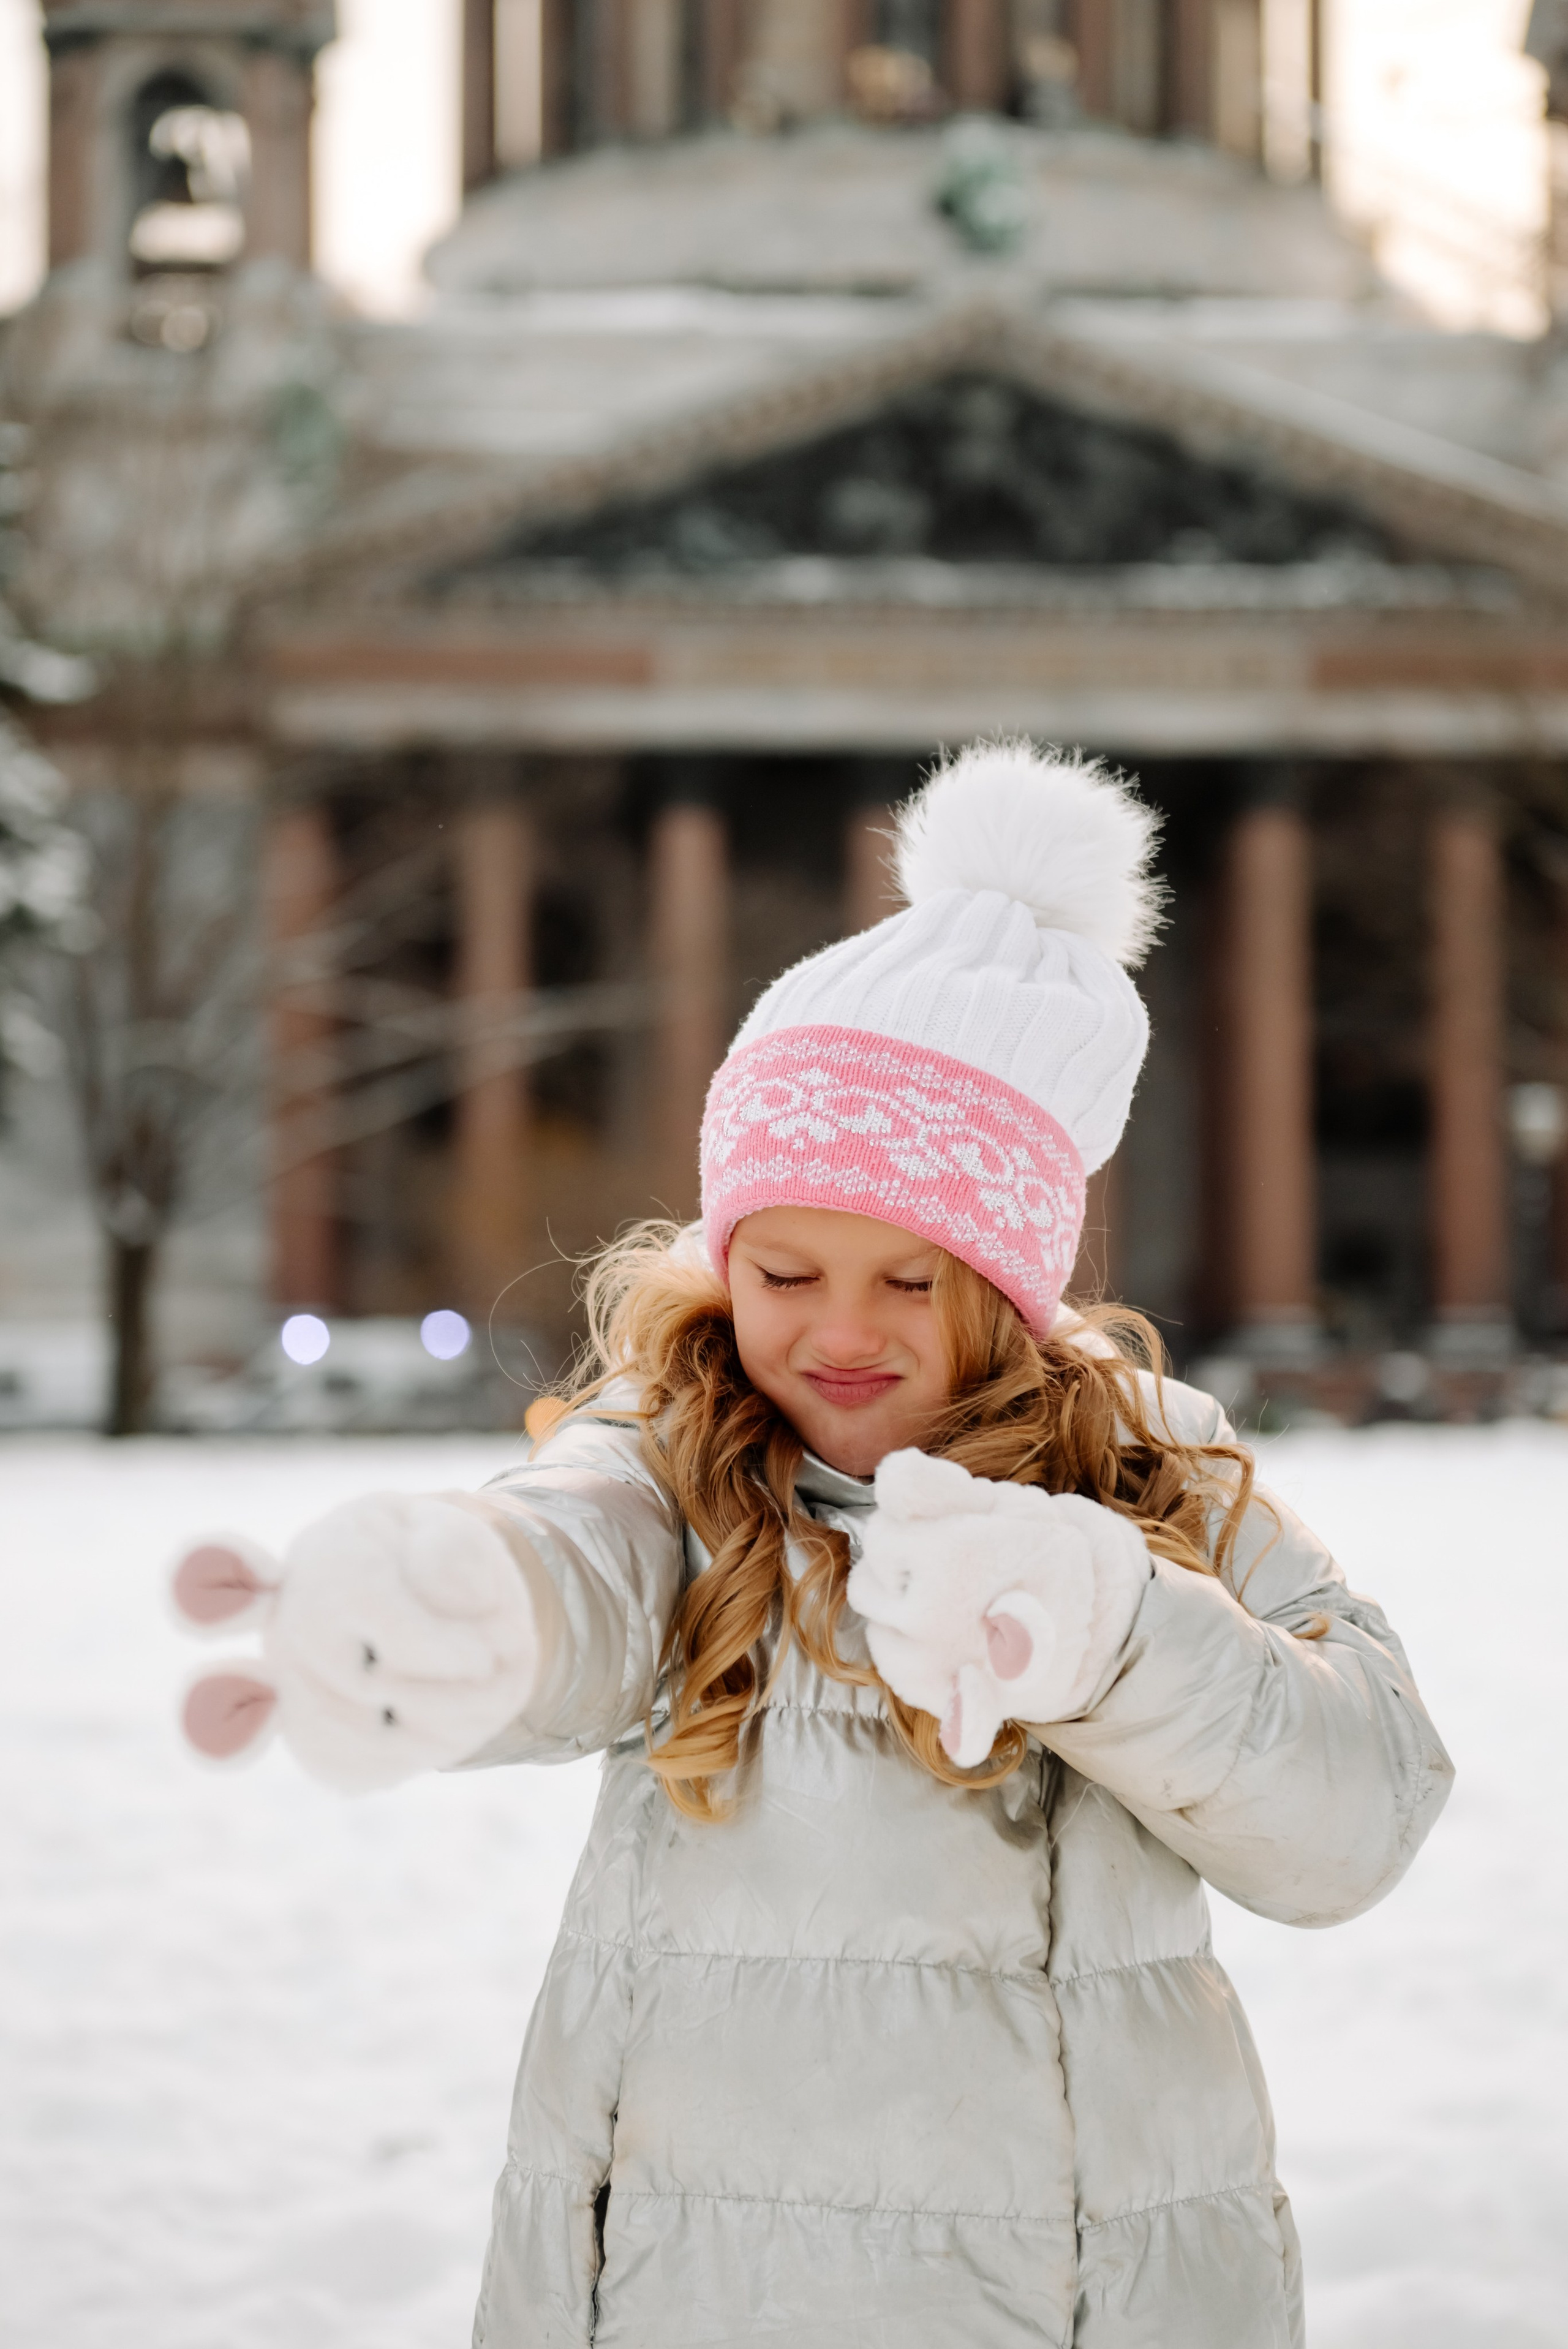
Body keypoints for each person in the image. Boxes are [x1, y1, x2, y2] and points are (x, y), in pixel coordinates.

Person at [174, 741, 1453, 2349]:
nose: (838, 1334)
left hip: (1086, 2292)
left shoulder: (1155, 1475)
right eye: (783, 1271)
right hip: (690, 2284)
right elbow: (587, 1560)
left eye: (910, 1281)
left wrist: (1116, 1632)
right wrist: (471, 1603)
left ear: (1011, 1281)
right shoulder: (679, 1456)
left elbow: (1364, 1803)